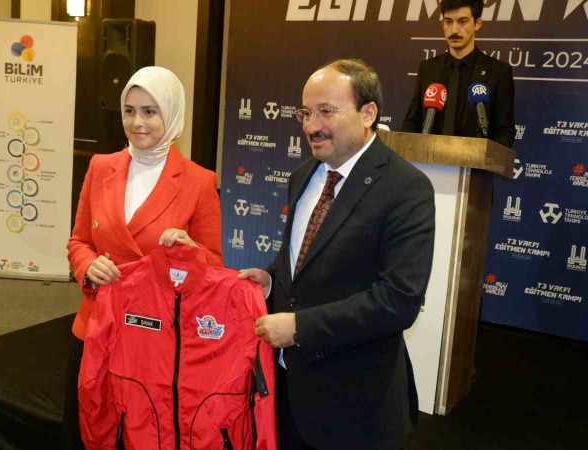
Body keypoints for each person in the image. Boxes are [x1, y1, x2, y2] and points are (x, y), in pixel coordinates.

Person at [239, 59, 436, 450]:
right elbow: (302, 263)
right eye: (305, 113)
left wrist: (300, 327)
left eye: (326, 111)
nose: (311, 126)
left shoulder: (406, 188)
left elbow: (398, 301)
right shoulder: (302, 176)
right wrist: (270, 280)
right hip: (287, 395)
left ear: (368, 113)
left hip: (356, 407)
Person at [62, 66, 223, 448]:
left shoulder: (199, 181)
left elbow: (215, 267)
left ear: (172, 114)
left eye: (150, 112)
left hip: (156, 338)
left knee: (143, 434)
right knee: (88, 427)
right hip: (97, 324)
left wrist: (189, 251)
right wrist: (88, 266)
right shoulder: (100, 167)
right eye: (129, 110)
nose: (137, 122)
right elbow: (79, 241)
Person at [401, 0, 515, 147]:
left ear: (477, 23)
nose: (454, 30)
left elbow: (504, 131)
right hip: (428, 159)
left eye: (462, 22)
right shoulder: (428, 68)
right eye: (448, 22)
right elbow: (412, 122)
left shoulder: (498, 72)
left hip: (475, 160)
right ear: (442, 24)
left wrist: (485, 157)